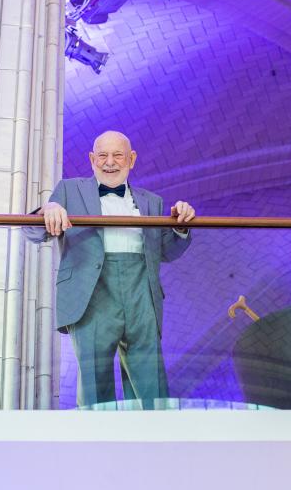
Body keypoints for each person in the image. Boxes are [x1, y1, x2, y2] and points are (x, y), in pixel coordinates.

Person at [24, 130, 195, 408]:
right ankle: (98, 437)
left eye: (118, 155)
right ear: (92, 159)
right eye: (102, 155)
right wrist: (47, 209)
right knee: (95, 383)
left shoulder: (152, 201)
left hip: (141, 292)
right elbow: (33, 234)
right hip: (91, 293)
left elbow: (167, 251)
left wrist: (181, 226)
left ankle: (155, 434)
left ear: (132, 159)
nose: (110, 162)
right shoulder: (68, 190)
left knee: (152, 382)